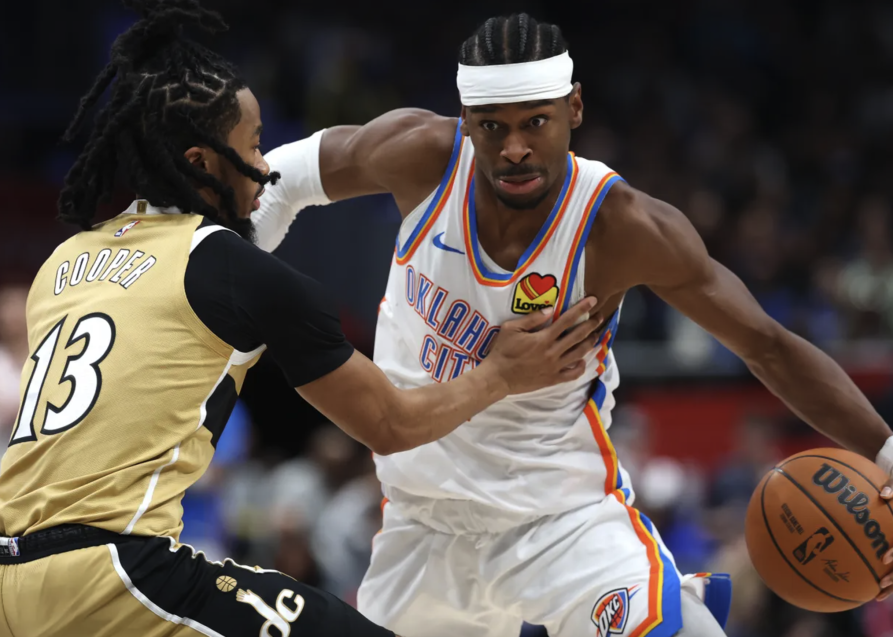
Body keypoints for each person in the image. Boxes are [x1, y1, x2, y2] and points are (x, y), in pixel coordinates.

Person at [251, 13, 893, 637]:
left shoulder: (622, 226)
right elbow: (275, 180)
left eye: (536, 122)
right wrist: (224, 298)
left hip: (561, 522)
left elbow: (766, 344)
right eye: (493, 127)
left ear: (574, 107)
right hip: (419, 526)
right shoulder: (420, 155)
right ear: (466, 118)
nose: (515, 148)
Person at [0, 4, 602, 637]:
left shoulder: (63, 262)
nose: (267, 167)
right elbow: (392, 424)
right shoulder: (234, 270)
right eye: (253, 146)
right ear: (202, 163)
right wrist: (501, 374)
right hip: (113, 573)